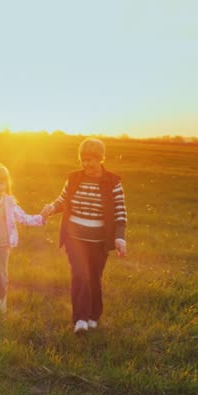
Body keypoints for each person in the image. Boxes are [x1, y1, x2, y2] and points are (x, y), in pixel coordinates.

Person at [41, 138, 127, 334]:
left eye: (91, 159)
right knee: (81, 275)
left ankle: (93, 315)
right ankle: (80, 318)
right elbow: (62, 201)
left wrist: (120, 237)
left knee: (94, 277)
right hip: (74, 237)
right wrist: (52, 207)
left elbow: (120, 213)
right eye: (83, 159)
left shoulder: (113, 182)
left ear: (101, 159)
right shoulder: (74, 179)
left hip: (99, 241)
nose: (87, 164)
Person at [0, 163, 45, 330]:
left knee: (3, 281)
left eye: (2, 182)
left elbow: (24, 217)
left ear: (6, 185)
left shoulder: (10, 202)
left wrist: (41, 218)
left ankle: (1, 300)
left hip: (4, 247)